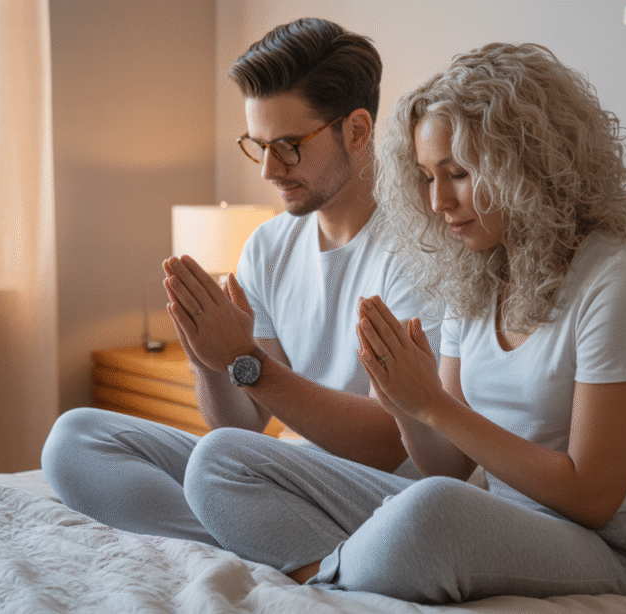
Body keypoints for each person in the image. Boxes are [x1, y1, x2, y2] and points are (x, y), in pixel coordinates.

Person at [183, 43, 626, 603]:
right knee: (220, 460)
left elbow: (593, 496)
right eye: (425, 177)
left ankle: (326, 584)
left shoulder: (618, 283)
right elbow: (446, 465)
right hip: (493, 517)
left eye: (458, 174)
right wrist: (403, 401)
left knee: (432, 512)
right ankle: (341, 576)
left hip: (621, 546)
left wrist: (434, 406)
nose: (439, 201)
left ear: (528, 165)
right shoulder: (477, 278)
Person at [40, 18, 439, 547]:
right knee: (74, 437)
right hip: (288, 476)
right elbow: (242, 425)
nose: (268, 171)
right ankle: (269, 545)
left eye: (289, 145)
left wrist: (247, 363)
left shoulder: (420, 248)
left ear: (358, 131)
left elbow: (387, 444)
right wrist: (210, 357)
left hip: (381, 493)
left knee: (219, 461)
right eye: (257, 145)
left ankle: (265, 538)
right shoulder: (269, 246)